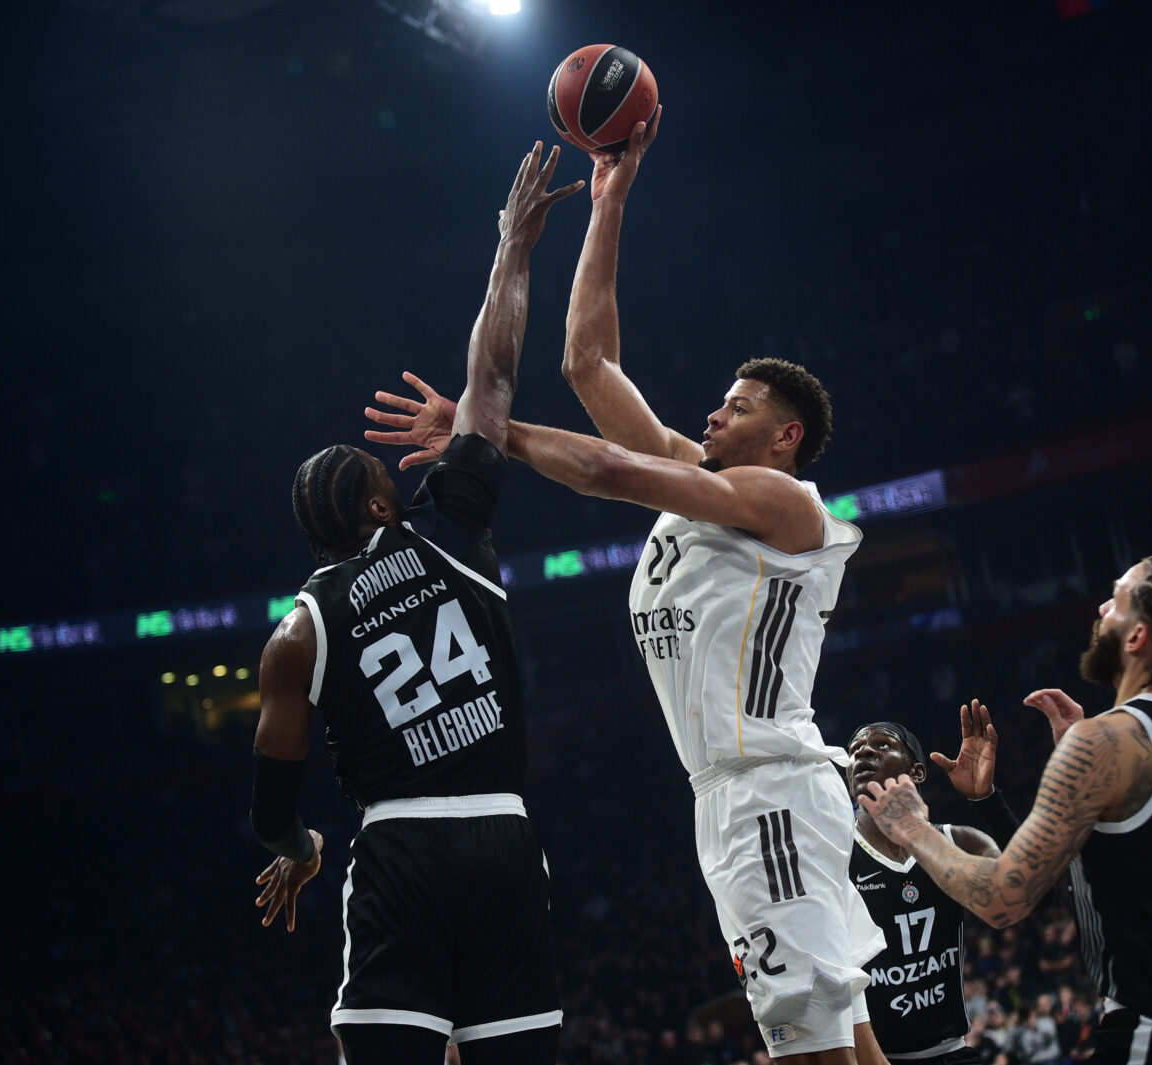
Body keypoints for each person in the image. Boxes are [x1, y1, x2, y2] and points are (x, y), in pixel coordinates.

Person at [365, 114, 886, 1064]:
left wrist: (485, 433)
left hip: (767, 791)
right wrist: (611, 199)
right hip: (743, 798)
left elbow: (607, 470)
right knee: (845, 1044)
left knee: (811, 1053)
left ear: (787, 438)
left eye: (740, 407)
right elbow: (587, 364)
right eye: (720, 400)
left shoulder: (780, 502)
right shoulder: (710, 486)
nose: (714, 412)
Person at [249, 143, 583, 1065]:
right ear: (377, 506)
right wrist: (512, 247)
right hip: (503, 836)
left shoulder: (297, 633)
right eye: (381, 471)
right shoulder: (450, 529)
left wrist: (302, 847)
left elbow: (271, 811)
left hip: (400, 852)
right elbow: (493, 376)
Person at [858, 555, 1152, 1064]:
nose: (1101, 608)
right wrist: (1004, 800)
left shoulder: (1102, 744)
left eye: (1116, 600)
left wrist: (913, 828)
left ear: (1137, 637)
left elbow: (1004, 900)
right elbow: (1138, 862)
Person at [845, 707, 1011, 1064]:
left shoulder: (959, 841)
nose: (864, 750)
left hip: (952, 1051)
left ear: (917, 772)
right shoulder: (837, 858)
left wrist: (986, 800)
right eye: (855, 749)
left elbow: (1022, 899)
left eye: (882, 744)